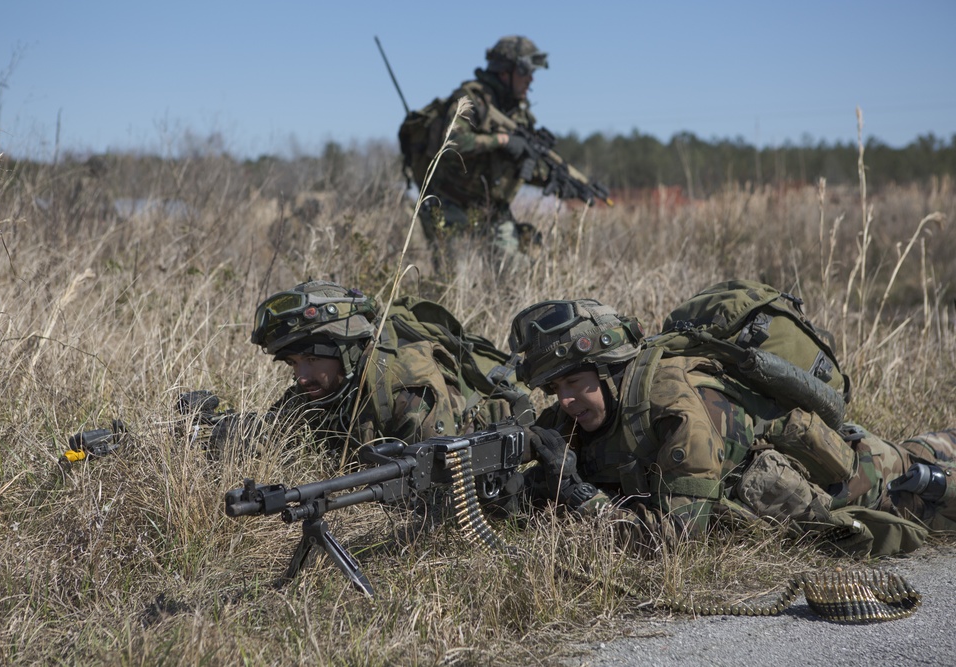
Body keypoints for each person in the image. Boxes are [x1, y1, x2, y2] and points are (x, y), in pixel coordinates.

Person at [510, 297, 956, 557]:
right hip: (796, 479)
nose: (565, 400)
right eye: (555, 389)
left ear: (608, 371)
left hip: (859, 479)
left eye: (574, 383)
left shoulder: (677, 409)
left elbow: (677, 544)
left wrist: (578, 496)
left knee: (919, 474)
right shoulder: (586, 410)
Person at [210, 279, 529, 462]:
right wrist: (214, 425)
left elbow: (434, 487)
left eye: (309, 359)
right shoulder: (325, 385)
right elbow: (276, 433)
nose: (301, 376)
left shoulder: (405, 389)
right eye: (294, 364)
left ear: (346, 349)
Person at [415, 36, 553, 270]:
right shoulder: (471, 99)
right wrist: (501, 140)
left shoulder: (519, 114)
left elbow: (526, 168)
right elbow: (451, 143)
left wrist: (544, 172)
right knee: (455, 284)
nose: (531, 80)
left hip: (493, 211)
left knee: (517, 272)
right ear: (505, 72)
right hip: (452, 205)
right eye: (526, 72)